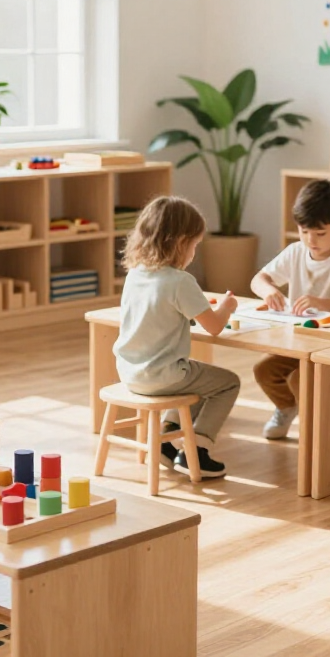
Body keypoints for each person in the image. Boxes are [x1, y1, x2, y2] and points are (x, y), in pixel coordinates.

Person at [114, 195, 240, 479]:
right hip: (162, 376)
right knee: (227, 383)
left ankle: (168, 443)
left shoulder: (135, 274)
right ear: (180, 242)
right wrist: (227, 307)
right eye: (195, 245)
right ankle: (197, 450)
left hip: (129, 372)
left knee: (194, 376)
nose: (195, 252)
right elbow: (214, 326)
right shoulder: (181, 281)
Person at [251, 179, 330, 440]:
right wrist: (269, 290)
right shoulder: (295, 251)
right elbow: (258, 279)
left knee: (298, 379)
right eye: (304, 231)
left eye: (319, 233)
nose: (310, 240)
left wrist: (318, 302)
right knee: (264, 371)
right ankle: (286, 407)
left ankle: (318, 430)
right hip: (299, 341)